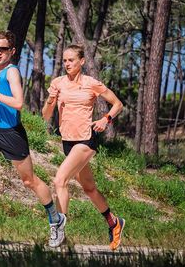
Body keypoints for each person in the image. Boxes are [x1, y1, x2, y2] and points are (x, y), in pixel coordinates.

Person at [0, 30, 65, 247]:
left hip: (12, 134)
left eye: (3, 49)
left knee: (29, 181)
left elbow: (19, 103)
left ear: (12, 51)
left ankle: (56, 219)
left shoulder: (12, 72)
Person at [42, 44, 125, 250]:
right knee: (89, 188)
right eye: (64, 60)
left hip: (86, 140)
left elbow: (118, 104)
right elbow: (45, 115)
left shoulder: (91, 83)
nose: (67, 64)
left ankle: (59, 228)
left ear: (82, 62)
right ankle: (114, 222)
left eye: (71, 60)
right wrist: (51, 99)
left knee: (60, 179)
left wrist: (106, 119)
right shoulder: (58, 83)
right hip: (68, 142)